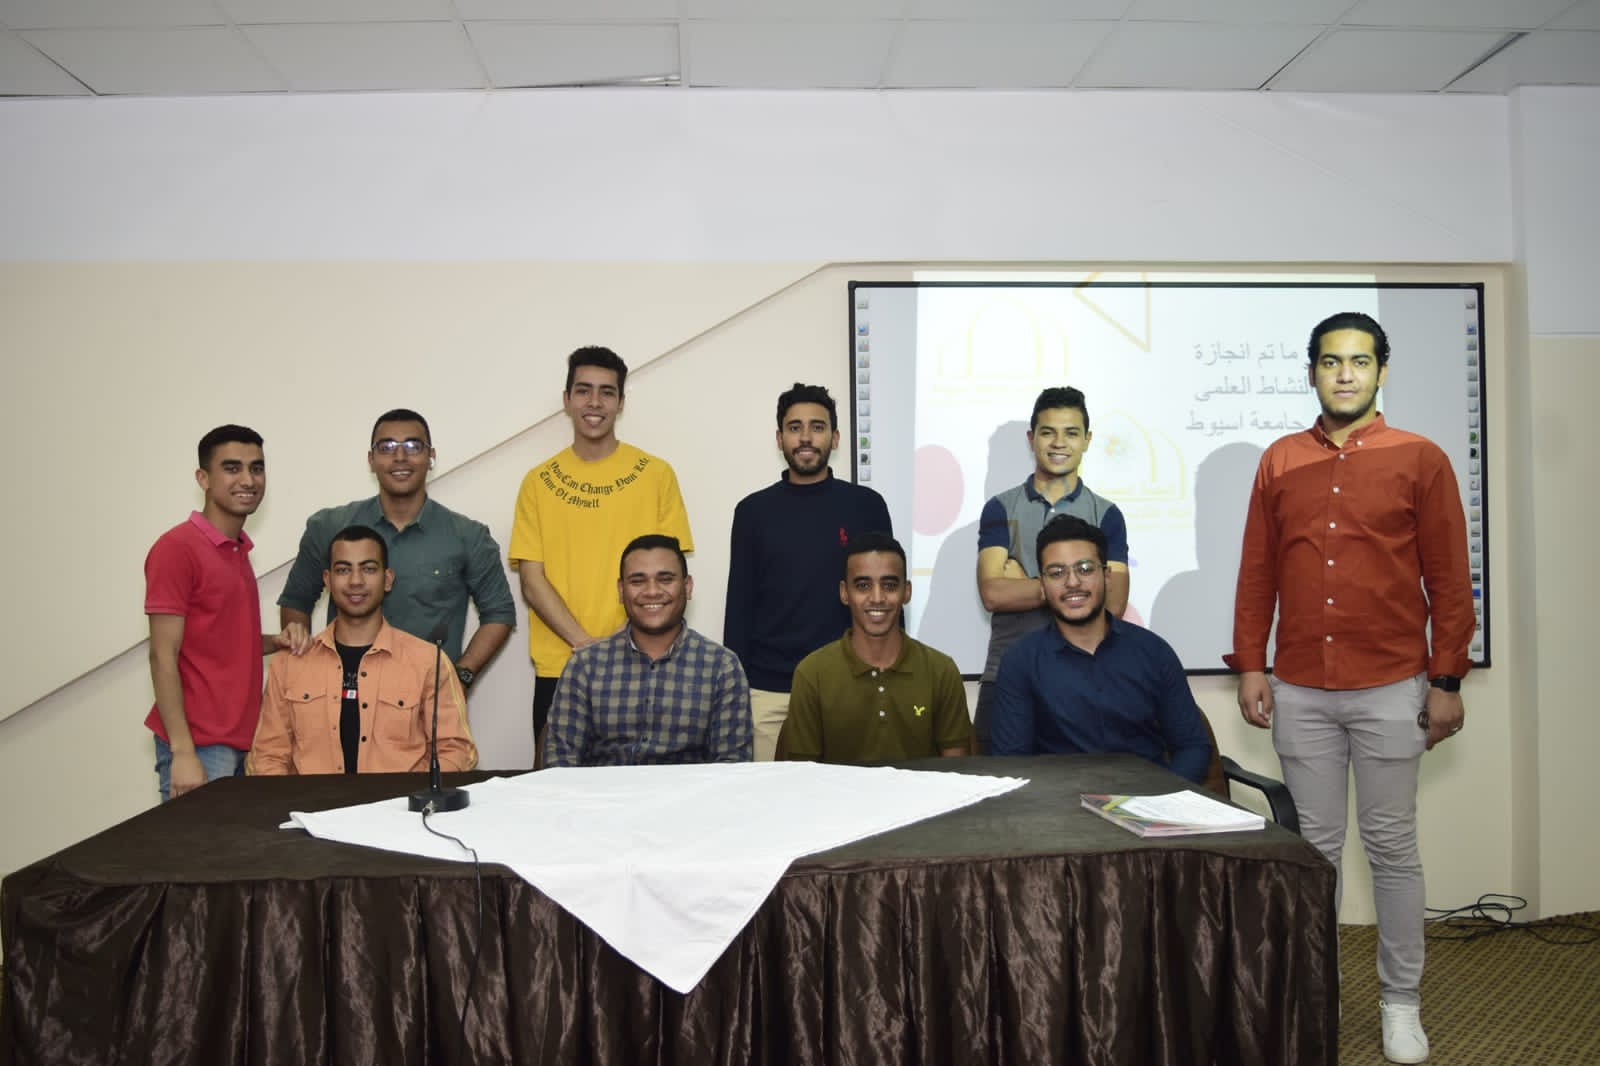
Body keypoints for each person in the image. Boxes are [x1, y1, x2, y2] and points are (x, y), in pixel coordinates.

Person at [1228, 311, 1473, 1065]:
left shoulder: (1421, 459)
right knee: (1315, 851)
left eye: (1359, 361)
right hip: (1301, 687)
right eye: (1331, 361)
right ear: (1312, 372)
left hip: (1392, 685)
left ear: (1380, 371)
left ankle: (1401, 1003)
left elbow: (1449, 580)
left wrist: (1446, 678)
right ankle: (1316, 1000)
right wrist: (1251, 663)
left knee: (1392, 848)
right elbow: (1258, 571)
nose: (1344, 374)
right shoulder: (1279, 461)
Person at [511, 347, 695, 761]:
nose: (594, 402)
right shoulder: (537, 482)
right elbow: (532, 580)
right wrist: (585, 644)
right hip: (561, 666)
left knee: (644, 787)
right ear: (567, 399)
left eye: (606, 392)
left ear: (621, 402)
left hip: (645, 664)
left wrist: (620, 646)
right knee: (557, 790)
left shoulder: (657, 475)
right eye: (584, 390)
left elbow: (668, 575)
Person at [278, 408, 515, 693]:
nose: (400, 456)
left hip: (428, 697)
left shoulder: (468, 536)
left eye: (413, 446)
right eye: (387, 447)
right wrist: (304, 669)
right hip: (342, 694)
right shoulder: (329, 527)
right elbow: (296, 600)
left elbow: (499, 613)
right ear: (371, 459)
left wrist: (461, 677)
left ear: (431, 457)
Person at [725, 383, 892, 761]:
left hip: (849, 683)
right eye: (794, 427)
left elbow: (886, 598)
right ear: (779, 438)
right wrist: (736, 690)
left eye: (817, 427)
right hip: (769, 690)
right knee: (771, 795)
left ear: (835, 438)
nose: (805, 437)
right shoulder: (752, 512)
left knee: (853, 793)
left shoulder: (866, 506)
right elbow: (740, 605)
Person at [144, 425, 310, 801]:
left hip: (243, 741)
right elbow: (162, 655)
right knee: (196, 842)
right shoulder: (177, 548)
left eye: (256, 468)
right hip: (200, 746)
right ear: (203, 478)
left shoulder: (236, 549)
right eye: (232, 468)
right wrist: (183, 752)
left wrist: (276, 641)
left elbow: (220, 641)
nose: (248, 480)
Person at [990, 515, 1208, 781]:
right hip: (1059, 802)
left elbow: (1192, 747)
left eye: (1085, 569)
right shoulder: (1021, 661)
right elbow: (1012, 764)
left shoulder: (1154, 652)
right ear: (1043, 586)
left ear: (1106, 576)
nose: (1072, 582)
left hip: (1148, 797)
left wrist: (1163, 799)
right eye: (1057, 573)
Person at [973, 386, 1130, 753]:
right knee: (996, 782)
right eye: (1048, 432)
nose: (1059, 443)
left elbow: (1114, 603)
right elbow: (992, 593)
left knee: (1084, 781)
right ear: (1032, 439)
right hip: (1007, 672)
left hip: (1087, 673)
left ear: (1087, 440)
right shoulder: (1000, 508)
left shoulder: (1106, 513)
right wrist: (1077, 589)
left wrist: (1028, 584)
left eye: (1071, 433)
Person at [249, 526, 476, 775]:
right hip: (311, 801)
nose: (355, 581)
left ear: (387, 579)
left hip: (400, 800)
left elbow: (456, 750)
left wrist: (411, 793)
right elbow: (267, 755)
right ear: (327, 580)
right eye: (343, 570)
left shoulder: (429, 662)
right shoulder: (290, 663)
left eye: (368, 569)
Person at [545, 535, 750, 767]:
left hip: (691, 791)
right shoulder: (585, 667)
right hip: (602, 790)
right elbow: (560, 762)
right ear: (621, 590)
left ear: (687, 587)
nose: (652, 591)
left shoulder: (721, 667)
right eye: (637, 581)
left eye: (665, 579)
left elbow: (732, 767)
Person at [783, 533, 969, 764]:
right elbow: (803, 776)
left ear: (907, 591)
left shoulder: (941, 671)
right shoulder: (812, 674)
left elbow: (956, 773)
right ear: (844, 592)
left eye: (889, 585)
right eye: (863, 586)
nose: (877, 597)